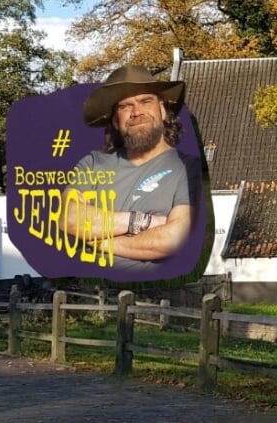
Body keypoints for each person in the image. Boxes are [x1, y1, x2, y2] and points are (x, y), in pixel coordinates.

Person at [64, 65, 196, 273]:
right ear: (116, 121)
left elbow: (175, 238)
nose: (136, 112)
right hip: (91, 292)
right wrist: (144, 222)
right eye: (125, 106)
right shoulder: (92, 163)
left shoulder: (188, 169)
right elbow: (70, 218)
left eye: (145, 101)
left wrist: (102, 243)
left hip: (156, 295)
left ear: (162, 110)